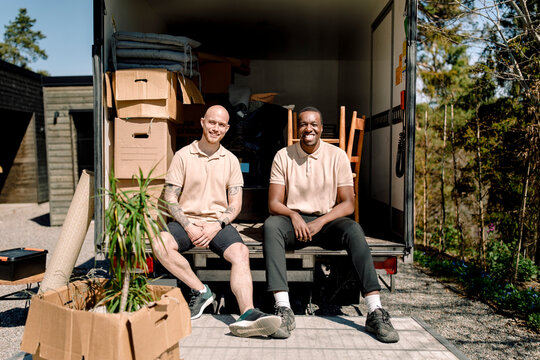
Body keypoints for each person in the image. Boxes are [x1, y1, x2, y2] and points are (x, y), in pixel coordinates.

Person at [263, 106, 399, 343]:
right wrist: (294, 216)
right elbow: (274, 203)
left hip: (326, 222)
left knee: (354, 230)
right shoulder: (283, 155)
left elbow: (348, 204)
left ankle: (375, 311)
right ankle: (284, 309)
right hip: (294, 221)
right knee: (271, 226)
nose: (309, 128)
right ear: (297, 129)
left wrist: (321, 222)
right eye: (304, 124)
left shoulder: (337, 156)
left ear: (322, 129)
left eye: (314, 124)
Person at [152, 105, 280, 338]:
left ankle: (248, 314)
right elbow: (170, 197)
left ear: (227, 128)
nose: (216, 128)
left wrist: (217, 225)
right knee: (160, 243)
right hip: (186, 222)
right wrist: (189, 226)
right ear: (202, 122)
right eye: (212, 122)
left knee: (241, 252)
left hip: (217, 224)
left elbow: (235, 204)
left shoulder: (230, 160)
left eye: (221, 125)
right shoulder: (183, 156)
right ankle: (200, 291)